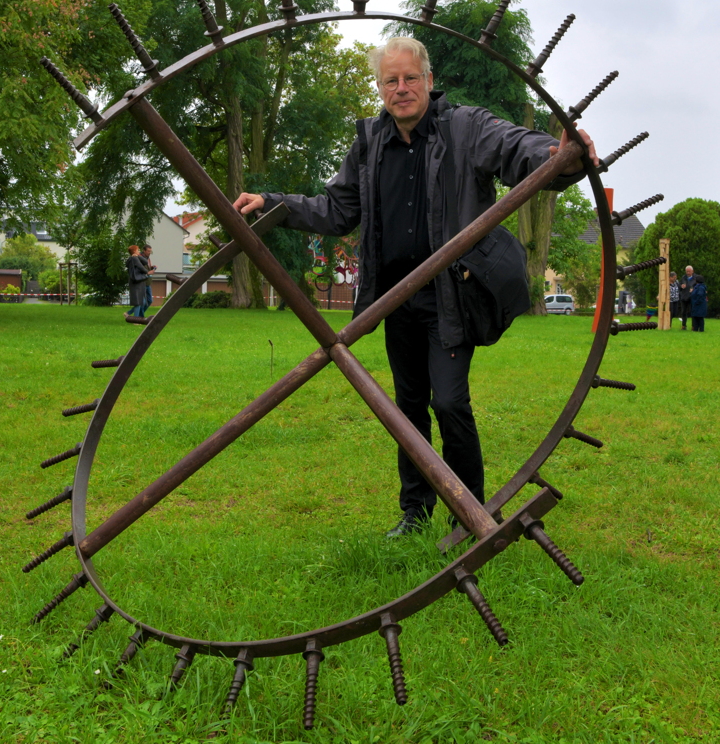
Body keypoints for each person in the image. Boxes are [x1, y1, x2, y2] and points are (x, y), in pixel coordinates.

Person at [232, 36, 598, 537]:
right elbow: (337, 210)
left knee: (448, 402)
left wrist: (561, 156)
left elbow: (517, 147)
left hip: (450, 296)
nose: (401, 89)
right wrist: (273, 204)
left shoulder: (466, 127)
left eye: (409, 78)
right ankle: (416, 511)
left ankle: (469, 512)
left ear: (428, 80)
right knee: (406, 409)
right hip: (394, 299)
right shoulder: (368, 142)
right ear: (380, 87)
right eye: (390, 81)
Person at [133, 245, 157, 317]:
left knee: (149, 301)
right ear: (144, 250)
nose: (149, 252)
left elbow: (147, 267)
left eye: (150, 251)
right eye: (148, 251)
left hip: (148, 282)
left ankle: (138, 316)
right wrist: (147, 272)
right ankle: (139, 317)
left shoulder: (147, 258)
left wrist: (152, 267)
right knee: (142, 302)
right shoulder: (138, 258)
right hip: (142, 282)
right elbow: (140, 269)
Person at [124, 244, 148, 316]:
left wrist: (138, 256)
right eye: (138, 250)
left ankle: (129, 313)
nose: (139, 251)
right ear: (134, 251)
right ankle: (136, 319)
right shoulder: (133, 259)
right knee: (138, 302)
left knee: (142, 302)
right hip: (136, 281)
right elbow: (141, 267)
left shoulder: (135, 258)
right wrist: (147, 272)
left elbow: (145, 262)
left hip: (138, 281)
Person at [679, 265, 696, 330]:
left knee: (692, 312)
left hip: (692, 297)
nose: (688, 273)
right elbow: (679, 286)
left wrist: (693, 289)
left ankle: (693, 326)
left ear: (692, 271)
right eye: (687, 271)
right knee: (683, 312)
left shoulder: (695, 278)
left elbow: (697, 286)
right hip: (684, 297)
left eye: (689, 271)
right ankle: (683, 325)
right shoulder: (683, 277)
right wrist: (681, 286)